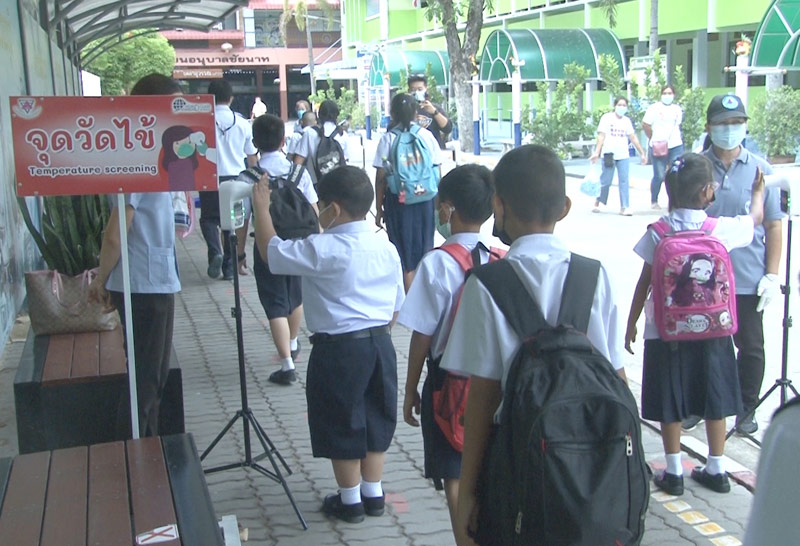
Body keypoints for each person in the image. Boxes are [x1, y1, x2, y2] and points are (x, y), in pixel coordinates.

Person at [438, 145, 627, 546]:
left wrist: (468, 491)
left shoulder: (486, 284)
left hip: (514, 458)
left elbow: (482, 397)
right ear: (565, 208)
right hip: (591, 462)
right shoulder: (595, 276)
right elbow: (616, 376)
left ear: (498, 205)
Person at [251, 165, 404, 524]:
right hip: (381, 344)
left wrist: (261, 209)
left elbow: (271, 252)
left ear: (332, 209)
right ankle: (374, 493)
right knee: (376, 417)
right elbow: (397, 304)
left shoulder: (322, 247)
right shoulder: (386, 246)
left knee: (341, 419)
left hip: (338, 350)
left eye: (319, 205)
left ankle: (349, 501)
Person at [625, 153, 765, 496]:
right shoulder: (719, 229)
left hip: (665, 331)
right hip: (713, 328)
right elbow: (756, 219)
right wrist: (758, 192)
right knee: (715, 394)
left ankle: (673, 471)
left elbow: (644, 281)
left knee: (670, 397)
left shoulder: (657, 232)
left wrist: (631, 323)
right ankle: (716, 468)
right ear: (707, 192)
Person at [397, 164, 495, 531]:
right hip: (494, 382)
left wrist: (410, 389)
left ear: (447, 209)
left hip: (447, 387)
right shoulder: (501, 257)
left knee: (455, 475)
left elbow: (422, 335)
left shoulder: (437, 263)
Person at [87, 73, 184, 438]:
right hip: (144, 284)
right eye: (172, 106)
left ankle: (147, 445)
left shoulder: (156, 155)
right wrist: (101, 280)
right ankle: (133, 450)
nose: (178, 114)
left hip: (155, 279)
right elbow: (115, 234)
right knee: (145, 378)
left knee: (154, 375)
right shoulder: (137, 162)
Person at [692, 94, 784, 436]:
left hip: (747, 276)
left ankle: (747, 409)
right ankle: (699, 405)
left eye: (736, 123)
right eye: (722, 124)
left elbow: (773, 225)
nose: (729, 130)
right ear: (709, 127)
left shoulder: (762, 169)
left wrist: (771, 274)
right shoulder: (696, 167)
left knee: (751, 347)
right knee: (702, 345)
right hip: (703, 277)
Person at [251, 113, 319, 385]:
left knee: (274, 302)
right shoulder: (298, 172)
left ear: (255, 142)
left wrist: (239, 251)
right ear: (283, 141)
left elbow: (242, 219)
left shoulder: (250, 177)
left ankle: (286, 364)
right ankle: (292, 341)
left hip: (267, 243)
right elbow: (313, 208)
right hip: (299, 242)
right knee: (295, 295)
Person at [374, 93, 442, 292]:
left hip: (399, 201)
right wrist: (437, 204)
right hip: (425, 200)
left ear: (392, 113)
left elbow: (380, 179)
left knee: (404, 254)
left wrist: (379, 209)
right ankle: (424, 297)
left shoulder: (388, 139)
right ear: (415, 112)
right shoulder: (426, 136)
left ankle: (408, 300)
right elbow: (437, 172)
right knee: (424, 249)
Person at [202, 80, 259, 280]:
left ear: (209, 98)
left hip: (209, 177)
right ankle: (229, 268)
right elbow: (251, 157)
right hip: (237, 180)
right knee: (233, 223)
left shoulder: (202, 121)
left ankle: (215, 251)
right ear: (231, 98)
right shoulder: (242, 123)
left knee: (209, 219)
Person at [590, 97, 647, 216]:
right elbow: (601, 136)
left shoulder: (626, 121)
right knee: (606, 181)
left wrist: (642, 153)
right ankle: (598, 201)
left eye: (624, 105)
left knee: (624, 181)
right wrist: (596, 152)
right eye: (619, 105)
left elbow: (633, 137)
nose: (622, 107)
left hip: (623, 155)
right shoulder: (606, 118)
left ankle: (625, 207)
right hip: (609, 154)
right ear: (615, 106)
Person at [643, 85, 684, 209]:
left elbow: (678, 125)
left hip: (675, 145)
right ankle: (654, 200)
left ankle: (674, 201)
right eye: (665, 93)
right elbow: (646, 125)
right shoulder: (654, 108)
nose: (667, 96)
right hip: (658, 145)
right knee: (660, 175)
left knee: (675, 173)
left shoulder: (677, 109)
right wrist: (653, 137)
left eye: (670, 93)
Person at [292, 99, 349, 186]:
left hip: (314, 185)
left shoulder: (310, 133)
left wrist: (293, 184)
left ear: (319, 115)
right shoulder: (343, 135)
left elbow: (298, 162)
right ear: (337, 115)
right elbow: (346, 161)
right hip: (338, 185)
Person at [408, 74, 452, 149]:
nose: (416, 92)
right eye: (413, 90)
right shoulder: (405, 109)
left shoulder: (434, 108)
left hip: (433, 150)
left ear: (426, 89)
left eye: (420, 89)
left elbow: (447, 128)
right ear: (409, 91)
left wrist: (435, 112)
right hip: (413, 150)